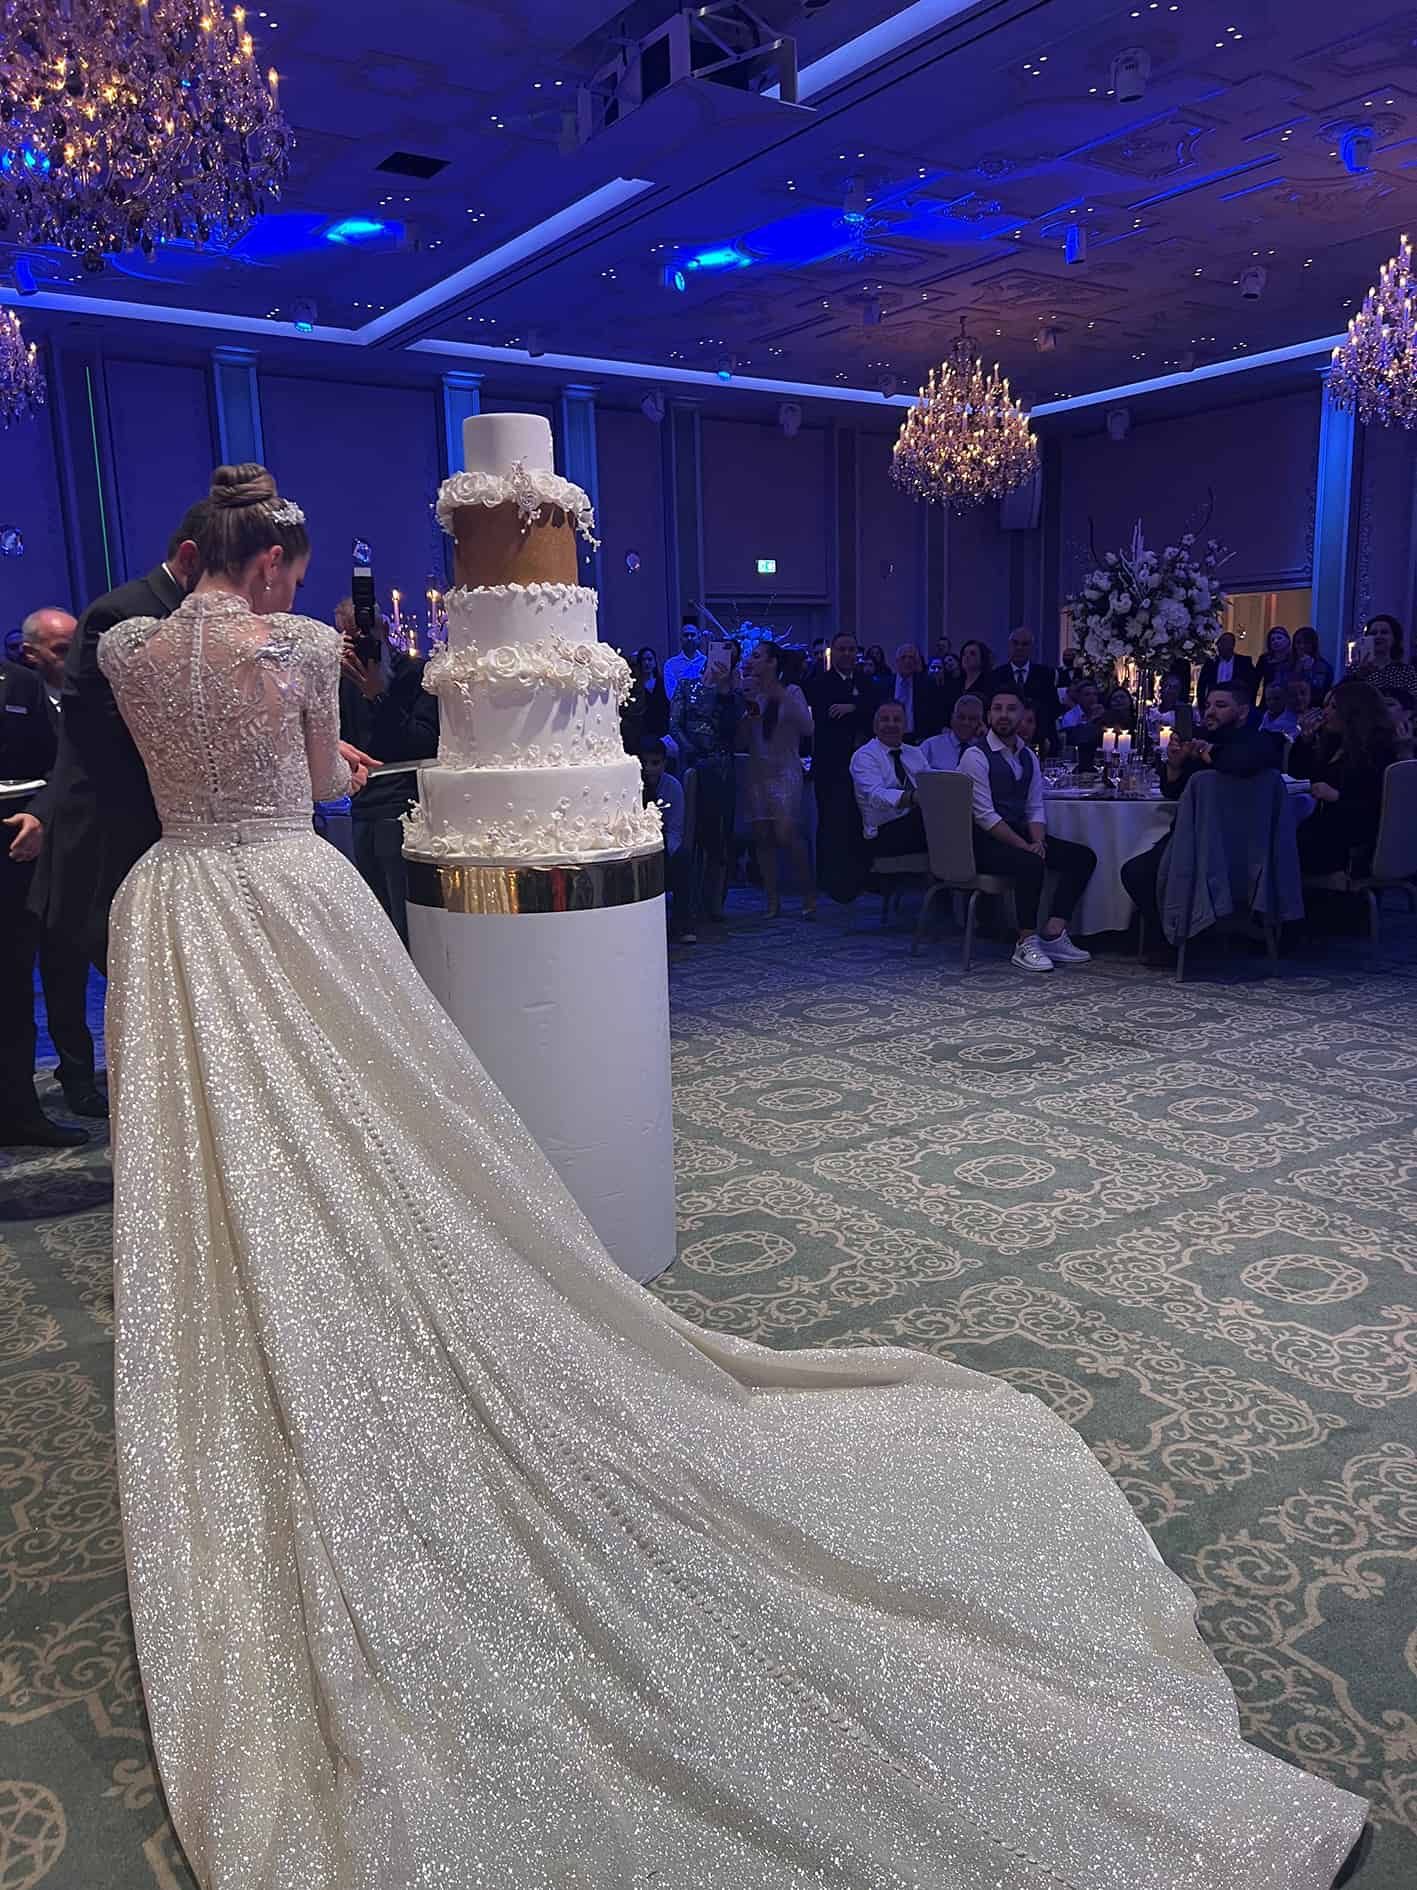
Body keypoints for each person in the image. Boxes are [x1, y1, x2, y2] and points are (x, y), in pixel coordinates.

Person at [92, 460, 1370, 1890]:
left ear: (190, 553)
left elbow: (172, 778)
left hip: (179, 905)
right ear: (274, 562)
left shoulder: (123, 647)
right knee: (369, 1111)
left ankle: (247, 1302)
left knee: (218, 1132)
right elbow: (323, 782)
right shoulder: (301, 646)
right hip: (289, 886)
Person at [22, 508, 208, 975]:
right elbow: (107, 737)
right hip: (118, 841)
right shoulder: (121, 613)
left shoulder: (205, 617)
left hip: (176, 836)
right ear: (190, 558)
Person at [10, 607, 104, 1116]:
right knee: (59, 975)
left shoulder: (96, 697)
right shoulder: (18, 697)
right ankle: (75, 1076)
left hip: (97, 850)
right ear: (32, 654)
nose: (72, 659)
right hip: (35, 857)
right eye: (60, 650)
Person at [0, 641, 89, 1147]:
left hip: (13, 845)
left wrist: (39, 814)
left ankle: (18, 1112)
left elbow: (57, 766)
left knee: (13, 987)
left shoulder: (20, 683)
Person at [1119, 682, 1284, 938]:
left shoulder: (1259, 741)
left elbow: (1241, 763)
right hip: (1192, 839)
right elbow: (1175, 793)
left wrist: (1210, 753)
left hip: (1242, 846)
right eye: (1207, 705)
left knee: (1139, 872)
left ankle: (1173, 939)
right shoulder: (1203, 741)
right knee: (1136, 870)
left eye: (1221, 705)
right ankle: (1173, 935)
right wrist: (1175, 766)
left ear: (1242, 712)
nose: (1210, 712)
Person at [957, 690, 1096, 972]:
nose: (1003, 715)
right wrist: (1026, 847)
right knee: (1030, 862)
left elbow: (1034, 807)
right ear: (989, 715)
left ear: (1021, 716)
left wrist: (1039, 841)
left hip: (1018, 833)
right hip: (980, 841)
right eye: (997, 708)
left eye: (1011, 709)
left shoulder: (1028, 756)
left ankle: (1054, 932)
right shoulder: (975, 755)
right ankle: (1026, 941)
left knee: (1082, 857)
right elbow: (984, 816)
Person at [335, 598, 439, 947]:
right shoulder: (339, 682)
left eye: (365, 635)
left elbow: (423, 742)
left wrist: (379, 696)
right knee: (375, 921)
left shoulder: (416, 673)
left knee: (405, 920)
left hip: (402, 810)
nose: (360, 645)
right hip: (361, 809)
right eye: (350, 638)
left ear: (384, 628)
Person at [1289, 678, 1397, 877]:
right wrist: (1305, 741)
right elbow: (1302, 777)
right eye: (1326, 706)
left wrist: (1336, 796)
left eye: (1334, 707)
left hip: (1352, 838)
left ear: (1354, 713)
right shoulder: (1336, 743)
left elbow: (1375, 807)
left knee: (1282, 842)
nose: (1325, 713)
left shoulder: (1377, 752)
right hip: (1327, 825)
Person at [741, 641, 815, 918]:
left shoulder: (792, 691)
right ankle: (772, 900)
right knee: (762, 836)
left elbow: (808, 728)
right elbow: (744, 738)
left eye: (757, 656)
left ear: (772, 662)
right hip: (757, 771)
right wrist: (747, 707)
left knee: (786, 833)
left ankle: (809, 893)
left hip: (785, 769)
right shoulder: (750, 692)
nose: (751, 661)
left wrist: (780, 695)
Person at [669, 649, 742, 924]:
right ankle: (688, 900)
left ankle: (715, 901)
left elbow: (733, 731)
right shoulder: (686, 686)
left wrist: (726, 692)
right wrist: (691, 751)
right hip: (692, 768)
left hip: (722, 768)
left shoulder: (733, 695)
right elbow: (674, 724)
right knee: (690, 829)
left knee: (720, 832)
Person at [803, 630, 874, 904]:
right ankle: (827, 877)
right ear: (833, 652)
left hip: (861, 763)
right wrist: (853, 709)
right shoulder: (821, 682)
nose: (847, 654)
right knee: (830, 819)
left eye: (851, 649)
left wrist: (852, 708)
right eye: (842, 649)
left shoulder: (866, 681)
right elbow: (826, 716)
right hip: (830, 762)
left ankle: (859, 876)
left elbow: (874, 708)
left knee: (857, 819)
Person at [850, 699, 929, 855]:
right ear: (875, 726)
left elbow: (932, 780)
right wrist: (912, 797)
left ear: (905, 726)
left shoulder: (915, 753)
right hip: (882, 833)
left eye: (897, 720)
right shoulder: (864, 756)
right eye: (885, 719)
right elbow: (876, 796)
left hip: (913, 825)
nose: (891, 725)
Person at [639, 736, 692, 943]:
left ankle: (682, 924)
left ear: (664, 763)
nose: (649, 769)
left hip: (665, 845)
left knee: (683, 860)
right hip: (638, 846)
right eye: (644, 763)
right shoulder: (632, 786)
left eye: (655, 763)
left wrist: (665, 853)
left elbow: (675, 828)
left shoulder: (673, 787)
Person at [983, 626, 1057, 743]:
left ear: (1032, 648)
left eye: (1025, 644)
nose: (1019, 648)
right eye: (1015, 643)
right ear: (1009, 646)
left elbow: (1051, 707)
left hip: (1038, 737)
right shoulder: (996, 675)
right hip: (1004, 736)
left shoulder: (1045, 674)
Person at [887, 640, 947, 740]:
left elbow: (935, 714)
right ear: (897, 661)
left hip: (918, 739)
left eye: (911, 658)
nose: (907, 661)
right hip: (889, 736)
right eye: (903, 657)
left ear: (916, 662)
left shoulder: (928, 684)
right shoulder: (884, 684)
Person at [1347, 613, 1417, 696]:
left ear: (1394, 638)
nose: (1378, 636)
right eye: (1373, 633)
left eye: (1384, 632)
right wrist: (1359, 675)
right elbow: (1345, 696)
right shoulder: (1356, 669)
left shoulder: (1406, 671)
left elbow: (1413, 699)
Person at [918, 691, 984, 772]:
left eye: (972, 719)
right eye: (961, 717)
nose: (966, 723)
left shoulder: (984, 749)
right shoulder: (930, 746)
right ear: (952, 718)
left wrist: (985, 737)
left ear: (980, 722)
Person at [620, 647, 671, 752]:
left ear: (655, 662)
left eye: (650, 659)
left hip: (661, 731)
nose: (646, 663)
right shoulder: (634, 686)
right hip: (640, 732)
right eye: (643, 660)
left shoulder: (663, 683)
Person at [1197, 631, 1256, 705]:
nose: (1219, 645)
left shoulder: (1244, 662)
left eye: (1224, 642)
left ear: (1232, 645)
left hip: (1235, 704)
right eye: (1219, 643)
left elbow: (1252, 684)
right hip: (1214, 703)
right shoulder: (1211, 663)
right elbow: (1201, 685)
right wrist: (1202, 705)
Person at [661, 612, 705, 699]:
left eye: (692, 635)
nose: (689, 638)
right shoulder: (670, 664)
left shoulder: (706, 661)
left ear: (699, 638)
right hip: (681, 707)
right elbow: (671, 694)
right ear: (680, 639)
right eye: (686, 635)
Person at [1291, 625, 1333, 701]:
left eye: (1306, 643)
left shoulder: (1323, 667)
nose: (1302, 646)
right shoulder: (1288, 664)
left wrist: (1308, 672)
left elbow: (1319, 691)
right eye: (1298, 643)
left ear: (1313, 645)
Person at [1255, 625, 1293, 697]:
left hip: (1288, 697)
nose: (1276, 641)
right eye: (1272, 640)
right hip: (1268, 698)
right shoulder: (1264, 659)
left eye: (1279, 638)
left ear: (1287, 640)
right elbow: (1255, 681)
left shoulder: (1294, 658)